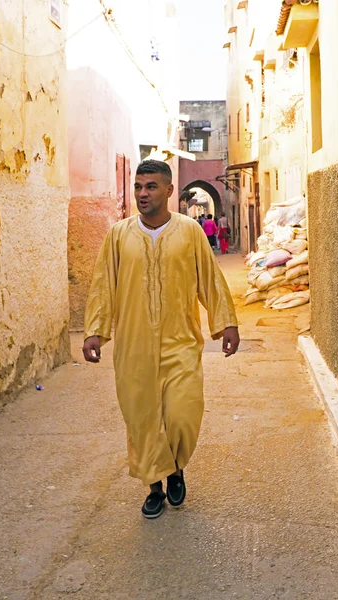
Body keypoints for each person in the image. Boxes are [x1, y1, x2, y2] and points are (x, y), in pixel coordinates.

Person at [83, 160, 240, 519]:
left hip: (181, 341)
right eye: (138, 186)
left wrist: (226, 323)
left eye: (151, 187)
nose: (142, 193)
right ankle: (155, 486)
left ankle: (176, 468)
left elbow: (209, 279)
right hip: (133, 346)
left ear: (170, 191)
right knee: (142, 418)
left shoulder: (189, 232)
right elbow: (104, 286)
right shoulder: (118, 236)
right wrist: (95, 330)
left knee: (183, 413)